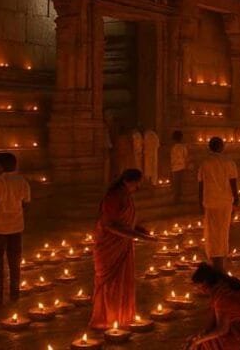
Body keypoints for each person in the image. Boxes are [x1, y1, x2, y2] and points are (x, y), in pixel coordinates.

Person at [90, 169, 159, 330]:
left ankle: (121, 316)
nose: (138, 187)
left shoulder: (125, 195)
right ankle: (108, 318)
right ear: (129, 181)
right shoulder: (114, 196)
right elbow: (110, 225)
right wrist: (140, 236)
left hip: (122, 243)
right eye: (137, 183)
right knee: (111, 282)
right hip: (109, 245)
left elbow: (126, 222)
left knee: (121, 281)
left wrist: (141, 231)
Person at [185, 263, 240, 350]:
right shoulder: (224, 286)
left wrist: (198, 341)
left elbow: (221, 329)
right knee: (203, 341)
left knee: (207, 344)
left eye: (199, 287)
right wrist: (199, 336)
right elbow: (212, 324)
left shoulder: (223, 297)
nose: (199, 291)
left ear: (205, 284)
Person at [0, 152, 30, 305]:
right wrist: (15, 212)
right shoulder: (22, 181)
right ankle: (14, 293)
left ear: (0, 166)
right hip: (17, 226)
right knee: (15, 261)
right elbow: (26, 203)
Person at [198, 137, 239, 272]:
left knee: (212, 232)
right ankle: (220, 261)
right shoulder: (229, 162)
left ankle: (216, 260)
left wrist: (200, 202)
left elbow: (201, 184)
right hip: (225, 201)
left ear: (210, 147)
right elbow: (233, 182)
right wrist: (236, 199)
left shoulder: (204, 163)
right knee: (223, 231)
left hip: (210, 201)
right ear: (222, 147)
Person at [171, 130, 190, 203]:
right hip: (181, 167)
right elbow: (186, 157)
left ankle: (177, 197)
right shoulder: (183, 147)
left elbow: (172, 159)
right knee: (180, 183)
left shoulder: (174, 148)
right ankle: (179, 197)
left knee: (177, 183)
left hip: (175, 168)